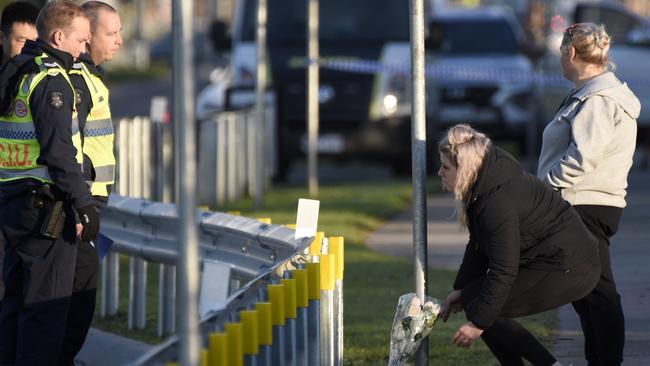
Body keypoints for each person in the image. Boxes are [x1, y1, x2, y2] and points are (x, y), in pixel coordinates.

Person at [438, 124, 601, 366]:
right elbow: (478, 244)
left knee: (483, 309)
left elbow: (504, 269)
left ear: (465, 169)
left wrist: (478, 324)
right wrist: (461, 289)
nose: (440, 173)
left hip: (570, 267)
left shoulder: (497, 201)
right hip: (548, 260)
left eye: (445, 167)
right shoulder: (485, 184)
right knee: (476, 299)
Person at [0, 1, 100, 364]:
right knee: (45, 312)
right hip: (45, 210)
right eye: (81, 40)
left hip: (13, 204)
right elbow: (59, 152)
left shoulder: (19, 70)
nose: (84, 49)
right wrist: (84, 204)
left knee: (14, 306)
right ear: (59, 36)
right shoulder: (51, 80)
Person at [537, 23, 640, 366]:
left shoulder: (597, 100)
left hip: (584, 204)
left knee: (597, 292)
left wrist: (544, 187)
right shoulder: (590, 95)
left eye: (560, 55)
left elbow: (583, 157)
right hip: (583, 203)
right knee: (586, 291)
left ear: (569, 53)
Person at [57, 2, 122, 364]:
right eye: (111, 33)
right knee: (72, 300)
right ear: (88, 34)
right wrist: (80, 203)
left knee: (76, 298)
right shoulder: (75, 80)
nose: (120, 41)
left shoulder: (93, 76)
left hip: (89, 204)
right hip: (76, 206)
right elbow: (65, 147)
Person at [0, 0, 40, 313]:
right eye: (19, 42)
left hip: (22, 200)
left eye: (32, 43)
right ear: (2, 38)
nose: (26, 50)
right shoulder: (11, 72)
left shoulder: (40, 78)